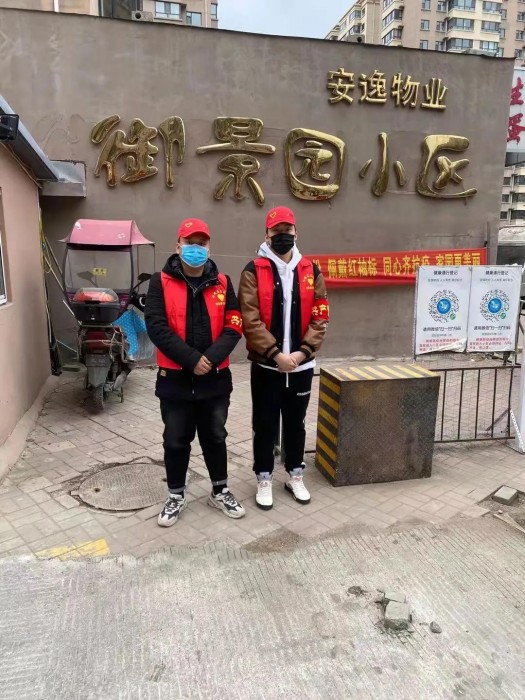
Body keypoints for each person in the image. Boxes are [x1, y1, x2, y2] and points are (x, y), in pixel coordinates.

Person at [145, 217, 246, 526]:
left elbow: (234, 325)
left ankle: (220, 491)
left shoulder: (223, 283)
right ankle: (176, 495)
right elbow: (156, 326)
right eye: (190, 243)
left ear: (209, 247)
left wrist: (210, 360)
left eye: (202, 243)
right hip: (175, 380)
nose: (196, 248)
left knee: (215, 436)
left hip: (215, 379)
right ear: (178, 246)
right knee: (176, 440)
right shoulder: (159, 282)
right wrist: (191, 359)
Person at [238, 206, 329, 511]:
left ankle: (295, 474)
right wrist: (276, 355)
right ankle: (264, 477)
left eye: (287, 231)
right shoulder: (253, 270)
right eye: (276, 231)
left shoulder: (311, 271)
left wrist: (302, 353)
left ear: (296, 232)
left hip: (302, 365)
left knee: (296, 422)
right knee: (264, 423)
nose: (282, 236)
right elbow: (250, 319)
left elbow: (320, 315)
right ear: (267, 235)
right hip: (267, 365)